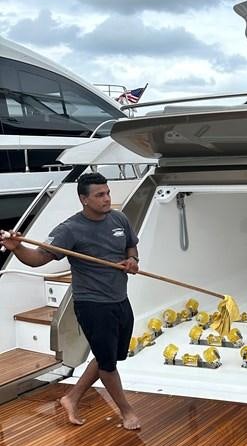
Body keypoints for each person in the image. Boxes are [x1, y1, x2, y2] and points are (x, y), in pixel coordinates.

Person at [0, 171, 141, 430]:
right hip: (92, 304)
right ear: (84, 199)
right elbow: (37, 258)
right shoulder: (69, 230)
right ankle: (127, 411)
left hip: (120, 299)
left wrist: (133, 261)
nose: (107, 198)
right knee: (107, 363)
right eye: (100, 195)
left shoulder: (119, 219)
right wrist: (17, 248)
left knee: (107, 356)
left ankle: (71, 397)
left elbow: (131, 246)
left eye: (107, 193)